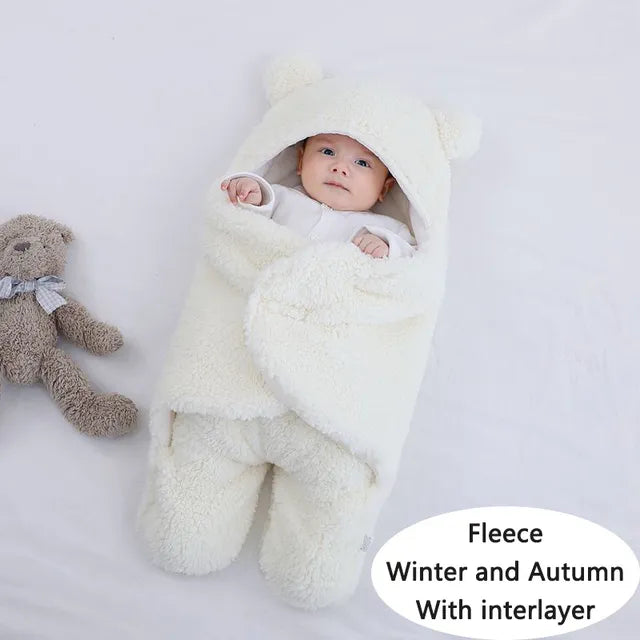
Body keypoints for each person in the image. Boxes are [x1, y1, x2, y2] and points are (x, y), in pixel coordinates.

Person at [221, 133, 416, 258]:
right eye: (328, 151)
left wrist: (387, 249)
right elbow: (248, 227)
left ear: (384, 189)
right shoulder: (277, 197)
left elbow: (413, 267)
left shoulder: (388, 229)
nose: (340, 168)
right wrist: (250, 195)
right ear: (301, 162)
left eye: (362, 163)